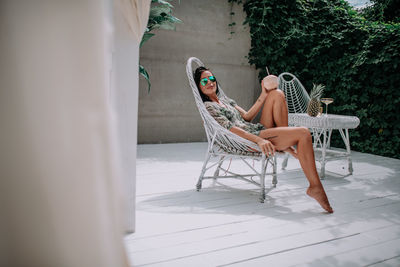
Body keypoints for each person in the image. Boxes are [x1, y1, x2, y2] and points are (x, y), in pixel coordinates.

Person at [194, 66, 333, 213]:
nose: (210, 82)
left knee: (277, 94)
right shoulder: (209, 107)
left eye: (211, 79)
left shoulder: (224, 100)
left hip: (255, 130)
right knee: (304, 133)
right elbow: (230, 130)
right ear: (199, 87)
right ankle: (315, 186)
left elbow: (247, 117)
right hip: (249, 138)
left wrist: (264, 93)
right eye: (204, 81)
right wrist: (259, 140)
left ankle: (285, 143)